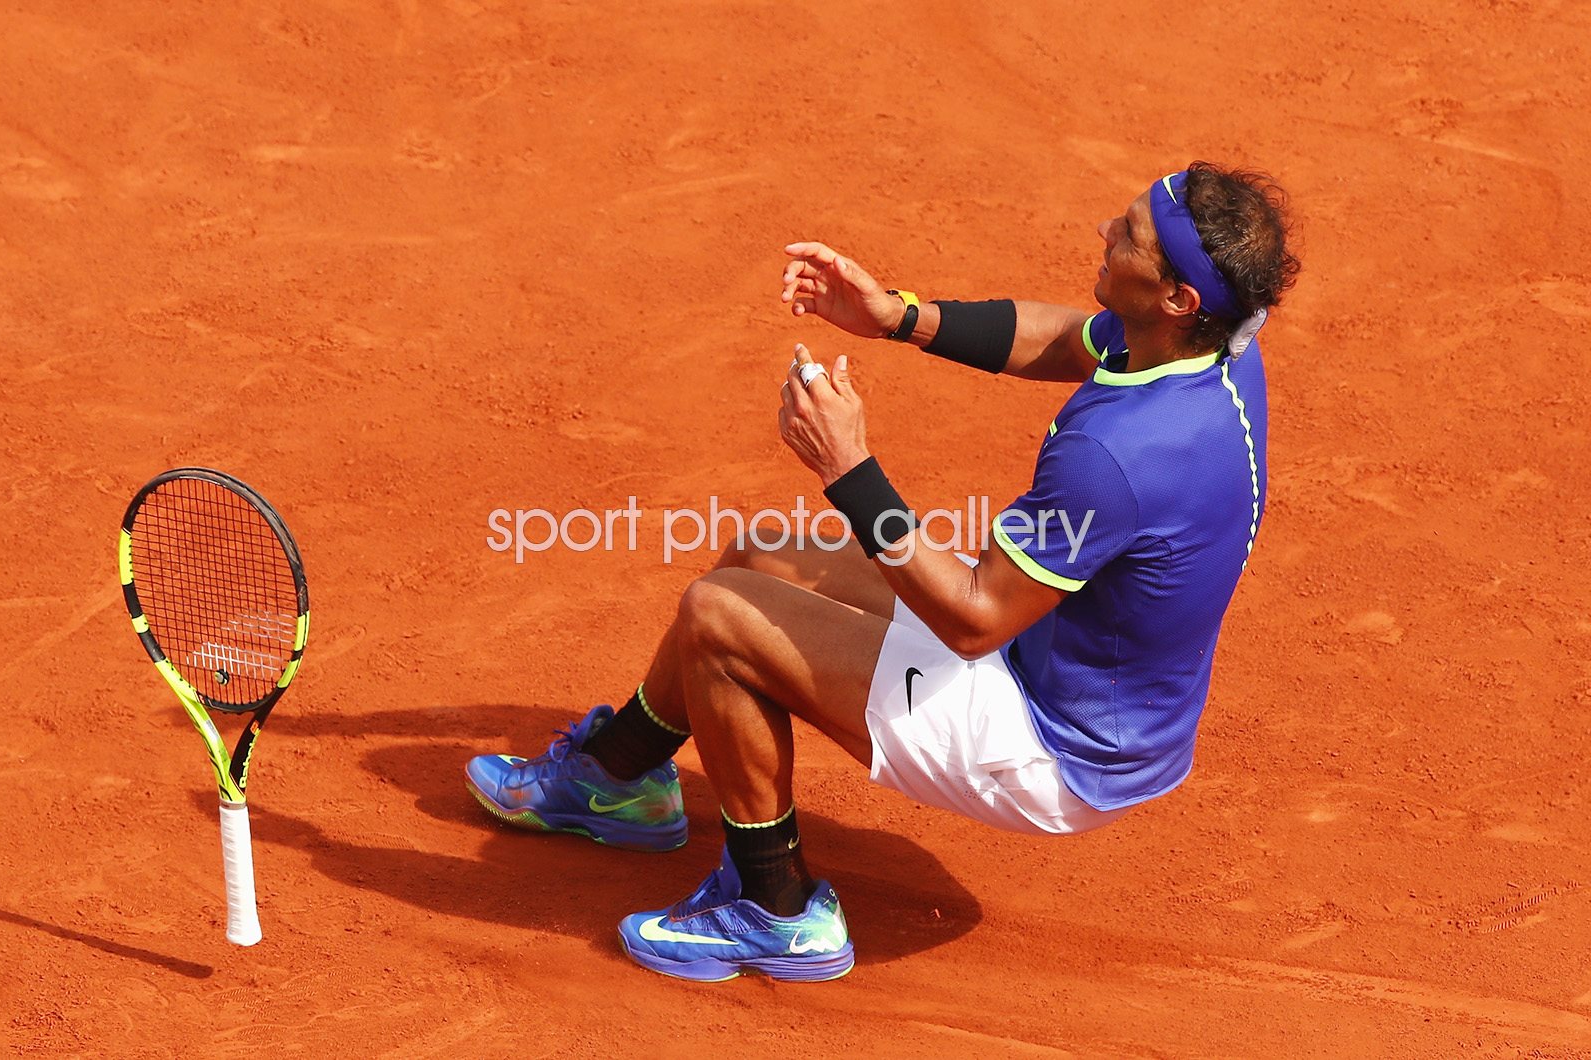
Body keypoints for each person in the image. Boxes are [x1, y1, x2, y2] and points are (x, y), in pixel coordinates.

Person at [465, 161, 1301, 983]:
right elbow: (1066, 337)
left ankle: (777, 911)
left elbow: (973, 618)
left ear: (1176, 297)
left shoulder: (1116, 457)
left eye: (1129, 237)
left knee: (718, 618)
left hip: (1052, 746)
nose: (1105, 232)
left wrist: (848, 467)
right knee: (761, 553)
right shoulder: (1213, 348)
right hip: (1079, 673)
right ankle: (619, 779)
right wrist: (896, 316)